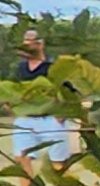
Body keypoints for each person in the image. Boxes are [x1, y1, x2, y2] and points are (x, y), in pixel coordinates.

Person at [5, 29, 74, 166]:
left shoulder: (52, 67)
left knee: (58, 164)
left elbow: (69, 93)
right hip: (25, 119)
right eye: (25, 41)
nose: (26, 45)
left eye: (30, 41)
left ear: (40, 44)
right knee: (21, 160)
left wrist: (60, 117)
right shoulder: (20, 68)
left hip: (50, 119)